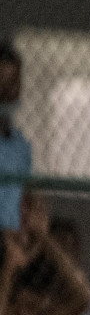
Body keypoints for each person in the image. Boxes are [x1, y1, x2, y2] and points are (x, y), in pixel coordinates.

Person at [0, 41, 28, 233]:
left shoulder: (21, 145)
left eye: (13, 82)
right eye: (2, 83)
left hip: (12, 239)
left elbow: (23, 196)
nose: (9, 92)